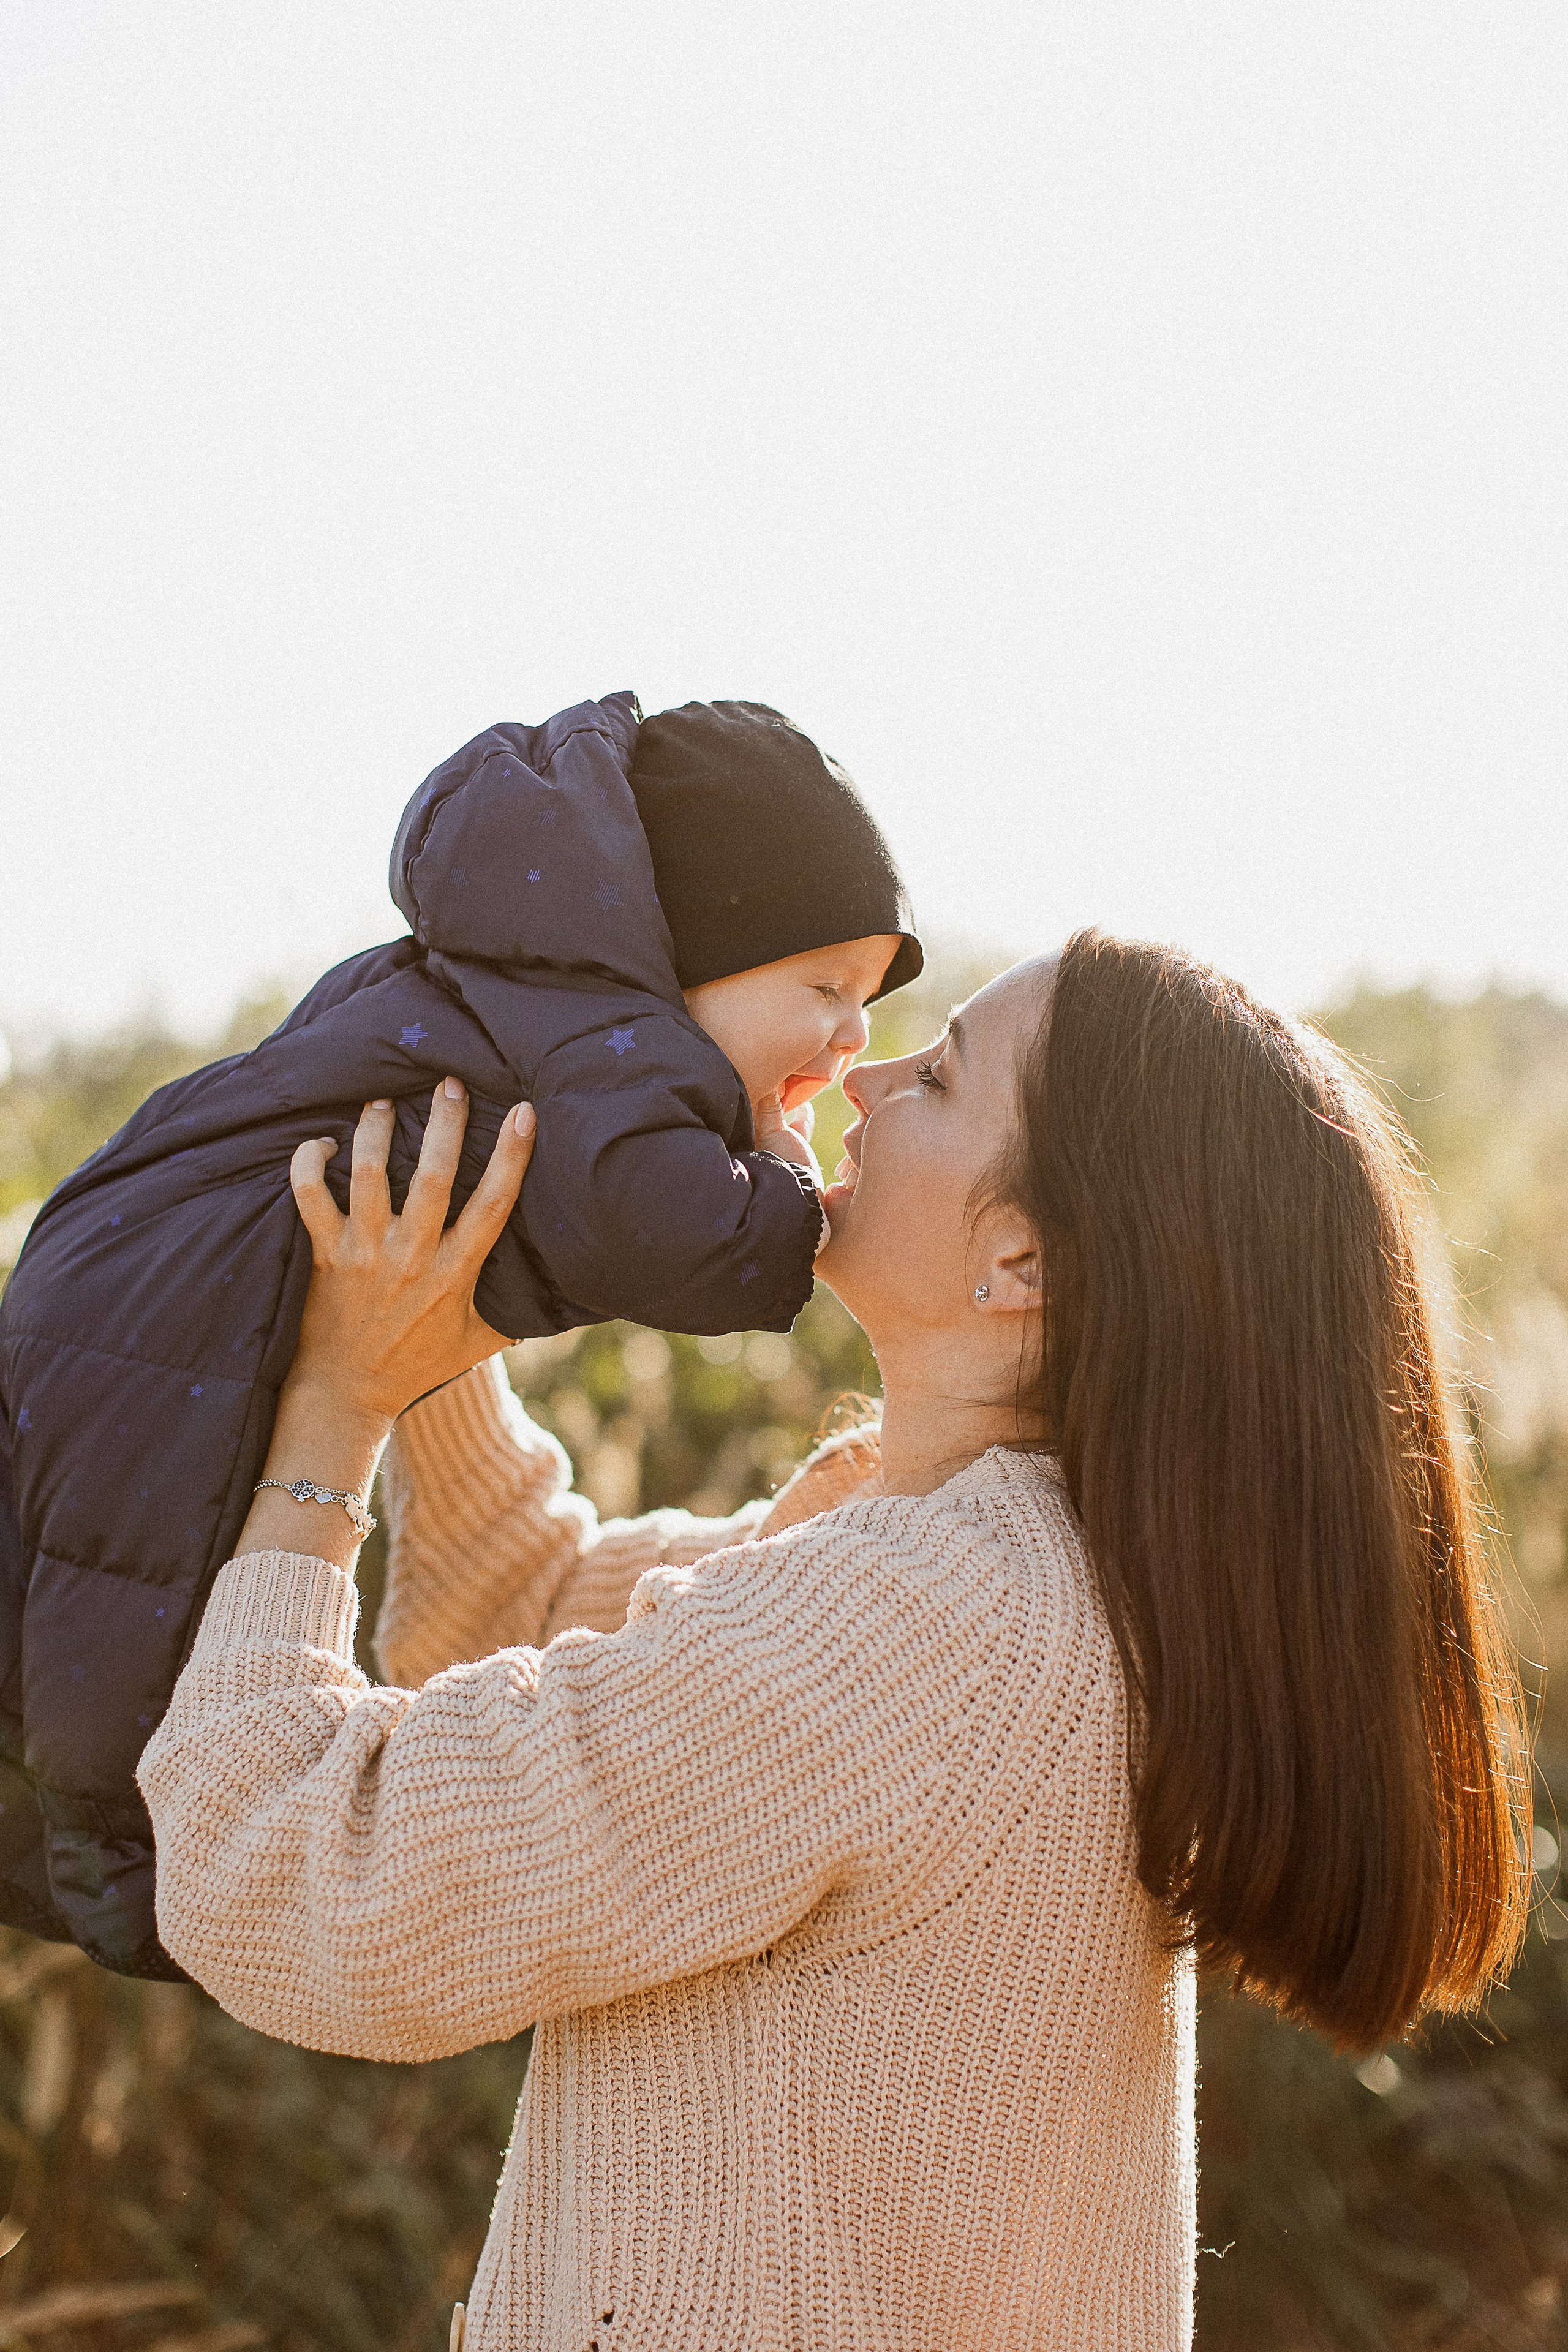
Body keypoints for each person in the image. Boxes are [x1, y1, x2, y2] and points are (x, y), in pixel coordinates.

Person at [137, 930, 1529, 2351]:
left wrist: (330, 1413)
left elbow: (291, 1869)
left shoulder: (919, 1627)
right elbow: (530, 1616)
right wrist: (432, 1313)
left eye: (939, 1075)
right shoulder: (1039, 1576)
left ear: (1021, 1257)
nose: (863, 1079)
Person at [0, 694, 920, 1976]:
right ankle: (127, 1866)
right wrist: (780, 1196)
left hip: (130, 1274)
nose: (855, 1042)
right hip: (194, 1292)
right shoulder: (618, 1037)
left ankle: (94, 1843)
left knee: (79, 1590)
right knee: (127, 1610)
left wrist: (376, 1367)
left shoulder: (523, 993)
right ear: (682, 955)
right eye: (823, 987)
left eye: (872, 1001)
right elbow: (666, 1235)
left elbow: (508, 1586)